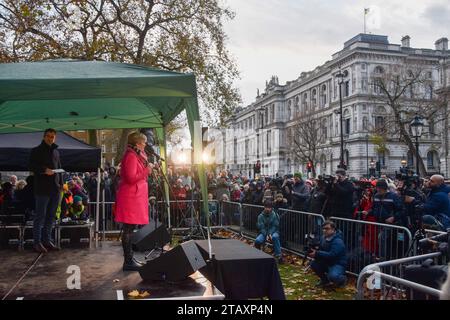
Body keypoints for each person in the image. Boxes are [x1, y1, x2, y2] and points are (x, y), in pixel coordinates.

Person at [114, 131, 154, 271]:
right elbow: (131, 178)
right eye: (143, 142)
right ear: (137, 143)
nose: (145, 144)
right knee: (128, 229)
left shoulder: (136, 155)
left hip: (134, 196)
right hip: (130, 197)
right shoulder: (131, 156)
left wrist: (147, 169)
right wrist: (146, 170)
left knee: (130, 228)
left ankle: (130, 257)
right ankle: (128, 261)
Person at [29, 128, 63, 253]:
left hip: (55, 189)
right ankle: (37, 243)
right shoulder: (36, 151)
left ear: (55, 138)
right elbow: (31, 166)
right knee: (40, 216)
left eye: (52, 136)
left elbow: (59, 168)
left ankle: (47, 240)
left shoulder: (56, 152)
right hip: (42, 189)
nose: (50, 138)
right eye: (48, 136)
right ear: (44, 137)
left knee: (51, 216)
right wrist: (44, 170)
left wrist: (61, 185)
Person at [309, 221, 348, 288]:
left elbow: (332, 255)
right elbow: (321, 250)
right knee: (313, 264)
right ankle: (325, 281)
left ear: (333, 229)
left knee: (333, 276)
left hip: (337, 264)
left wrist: (317, 253)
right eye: (323, 228)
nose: (324, 230)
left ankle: (343, 279)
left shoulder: (338, 241)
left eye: (327, 229)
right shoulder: (323, 238)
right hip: (327, 262)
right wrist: (314, 252)